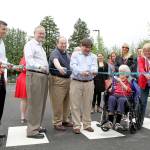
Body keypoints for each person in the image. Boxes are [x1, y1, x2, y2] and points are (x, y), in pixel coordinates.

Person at [24, 25, 49, 139]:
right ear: (34, 33)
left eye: (43, 33)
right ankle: (32, 131)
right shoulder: (30, 44)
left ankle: (37, 126)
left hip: (42, 76)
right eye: (39, 33)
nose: (42, 35)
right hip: (34, 75)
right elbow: (29, 60)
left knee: (41, 103)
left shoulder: (40, 47)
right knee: (34, 103)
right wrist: (40, 67)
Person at [70, 38, 98, 134]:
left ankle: (87, 125)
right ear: (81, 46)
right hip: (76, 82)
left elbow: (94, 67)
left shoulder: (94, 56)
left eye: (89, 47)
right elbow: (73, 66)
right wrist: (81, 72)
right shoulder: (75, 54)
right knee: (75, 105)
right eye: (85, 47)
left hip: (89, 82)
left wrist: (94, 71)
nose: (87, 49)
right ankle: (77, 125)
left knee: (88, 104)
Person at [49, 37, 73, 131]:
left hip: (68, 80)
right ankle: (57, 122)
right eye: (61, 43)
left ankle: (65, 120)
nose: (63, 45)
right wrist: (59, 68)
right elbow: (55, 61)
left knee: (67, 102)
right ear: (57, 43)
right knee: (57, 102)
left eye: (65, 43)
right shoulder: (55, 52)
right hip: (58, 80)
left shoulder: (66, 53)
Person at [104, 65, 132, 130]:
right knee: (111, 98)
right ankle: (110, 122)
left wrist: (121, 82)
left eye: (123, 71)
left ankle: (117, 123)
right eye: (120, 71)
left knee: (121, 100)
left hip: (124, 96)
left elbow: (129, 90)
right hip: (115, 95)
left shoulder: (129, 80)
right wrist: (110, 89)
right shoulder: (115, 79)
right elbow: (111, 89)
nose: (121, 73)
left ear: (127, 73)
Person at [138, 43, 150, 121]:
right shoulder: (141, 59)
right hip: (144, 83)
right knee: (142, 102)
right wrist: (146, 75)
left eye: (149, 51)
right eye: (145, 51)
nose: (147, 53)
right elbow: (141, 68)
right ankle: (140, 121)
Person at [0, 20, 8, 138]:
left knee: (0, 105)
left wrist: (9, 65)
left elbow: (3, 60)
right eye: (3, 29)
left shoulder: (2, 43)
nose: (5, 32)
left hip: (1, 76)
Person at [15, 56, 28, 124]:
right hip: (24, 78)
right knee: (24, 99)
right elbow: (20, 68)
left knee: (26, 99)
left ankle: (24, 116)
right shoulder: (24, 58)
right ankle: (23, 116)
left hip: (29, 78)